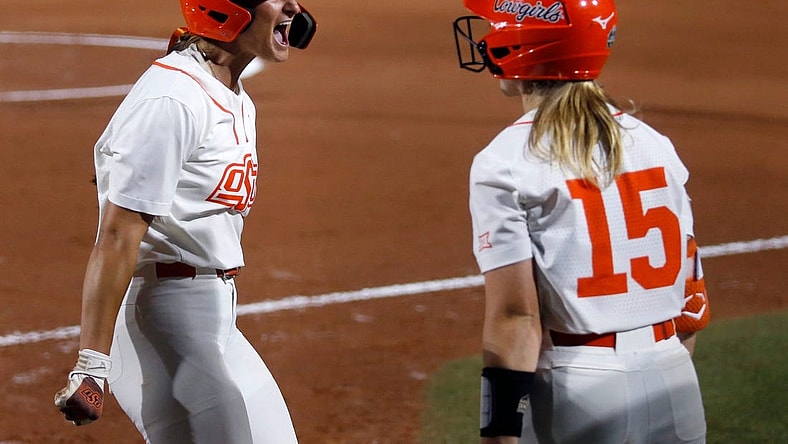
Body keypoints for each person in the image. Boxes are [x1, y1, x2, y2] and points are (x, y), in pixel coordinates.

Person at [54, 1, 317, 442]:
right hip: (160, 320)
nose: (294, 6)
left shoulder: (229, 90)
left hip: (212, 319)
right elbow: (118, 235)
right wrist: (92, 364)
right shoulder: (174, 97)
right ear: (226, 9)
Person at [453, 0, 710, 443]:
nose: (486, 36)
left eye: (496, 27)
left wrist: (499, 434)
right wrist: (664, 368)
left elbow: (516, 318)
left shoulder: (507, 160)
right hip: (675, 377)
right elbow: (691, 296)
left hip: (580, 391)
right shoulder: (655, 144)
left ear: (522, 43)